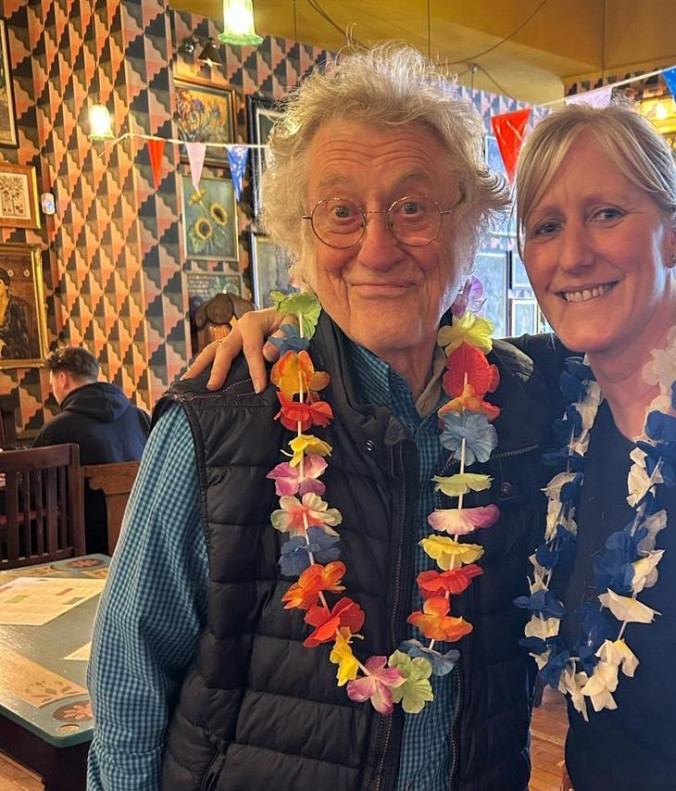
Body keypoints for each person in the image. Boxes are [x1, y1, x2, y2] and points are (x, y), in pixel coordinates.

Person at [210, 103, 676, 790]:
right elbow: (397, 335)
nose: (574, 254)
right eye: (547, 225)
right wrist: (296, 328)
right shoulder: (552, 398)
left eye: (607, 213)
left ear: (675, 230)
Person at [86, 45, 553, 791]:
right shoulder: (221, 421)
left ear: (468, 224)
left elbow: (639, 350)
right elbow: (126, 682)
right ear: (302, 240)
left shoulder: (527, 405)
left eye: (411, 206)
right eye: (342, 212)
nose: (376, 244)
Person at [34, 346, 150, 554]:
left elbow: (37, 496)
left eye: (51, 382)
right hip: (142, 539)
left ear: (63, 378)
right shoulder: (142, 418)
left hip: (86, 548)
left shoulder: (56, 431)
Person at [0, 269, 32, 359]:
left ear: (6, 286)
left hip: (13, 349)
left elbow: (22, 337)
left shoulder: (16, 306)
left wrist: (4, 347)